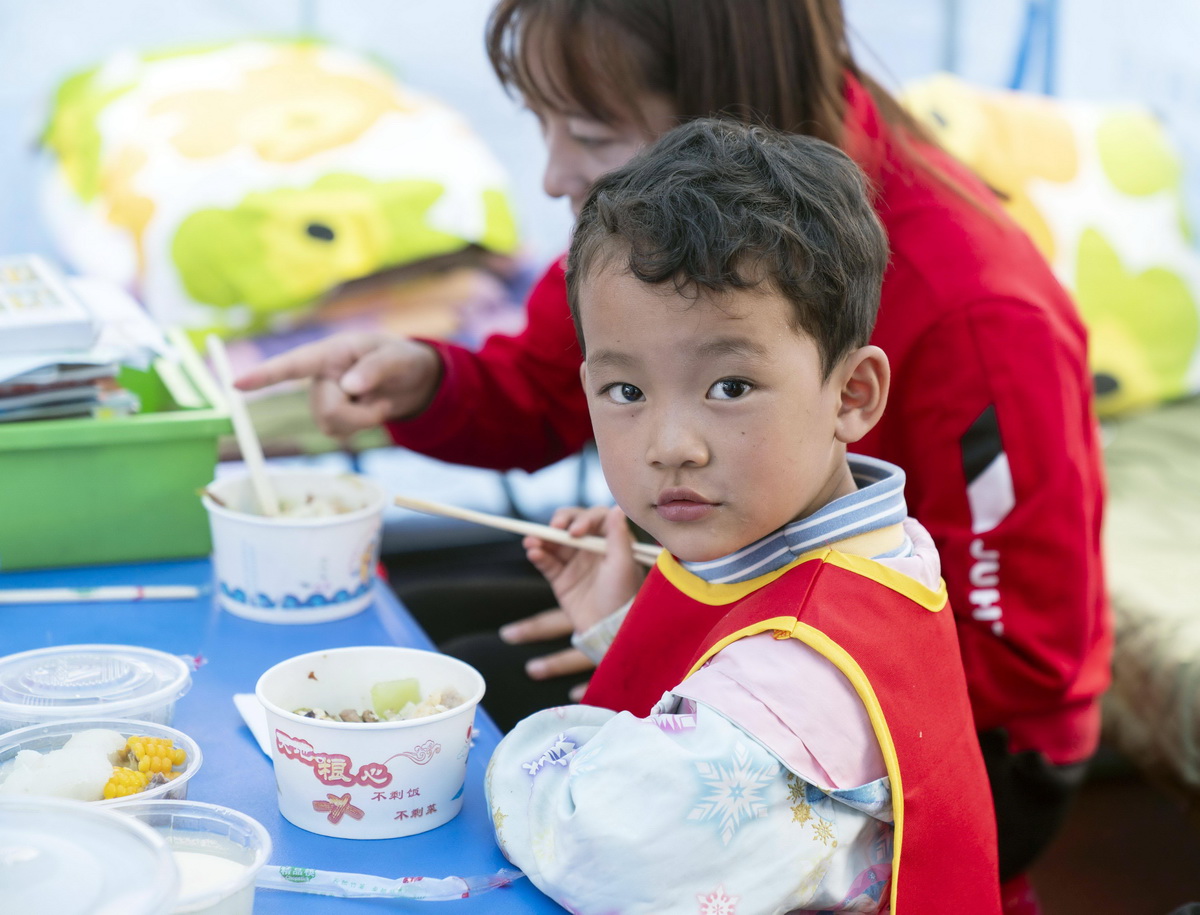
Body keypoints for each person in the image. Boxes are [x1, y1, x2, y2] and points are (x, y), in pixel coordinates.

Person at [236, 1, 1110, 904]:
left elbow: (1018, 654)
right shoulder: (661, 237)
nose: (549, 174)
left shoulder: (979, 308)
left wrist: (692, 662)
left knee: (466, 709)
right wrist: (432, 381)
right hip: (731, 593)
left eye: (587, 130)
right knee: (420, 632)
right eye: (539, 124)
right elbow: (551, 380)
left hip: (961, 734)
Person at [487, 116, 1001, 913]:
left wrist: (470, 752)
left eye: (729, 387)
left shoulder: (802, 671)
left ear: (852, 394)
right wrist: (623, 627)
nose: (671, 445)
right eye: (625, 391)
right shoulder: (862, 539)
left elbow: (605, 847)